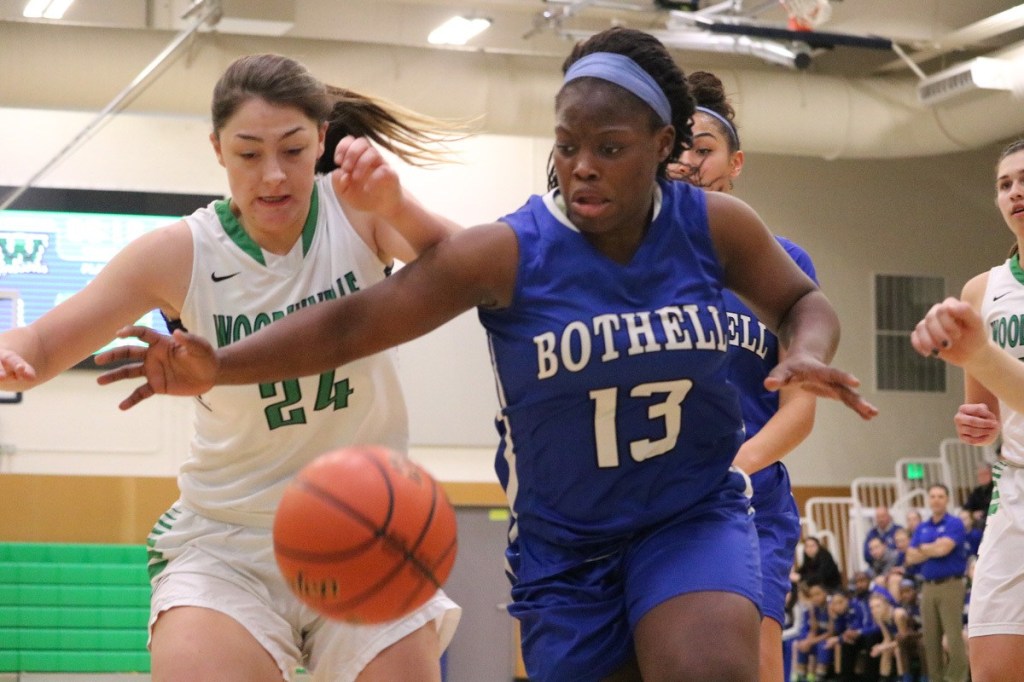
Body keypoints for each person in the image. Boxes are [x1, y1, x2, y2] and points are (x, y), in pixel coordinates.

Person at [88, 28, 879, 681]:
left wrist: (808, 350)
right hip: (566, 546)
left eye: (609, 147)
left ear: (661, 144)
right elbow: (351, 324)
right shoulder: (513, 250)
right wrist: (220, 366)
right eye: (568, 146)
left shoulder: (715, 225)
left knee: (707, 665)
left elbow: (803, 301)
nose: (582, 167)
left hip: (688, 514)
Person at [0, 53, 465, 681]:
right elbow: (47, 340)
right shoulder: (178, 253)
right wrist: (15, 356)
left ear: (322, 139)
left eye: (294, 151)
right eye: (249, 154)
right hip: (229, 542)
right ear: (217, 149)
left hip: (365, 530)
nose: (273, 175)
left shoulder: (358, 211)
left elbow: (469, 270)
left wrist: (399, 204)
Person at [668, 69, 819, 682]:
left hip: (751, 492)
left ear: (735, 161)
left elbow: (800, 410)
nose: (689, 162)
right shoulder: (636, 264)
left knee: (753, 665)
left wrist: (735, 468)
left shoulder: (782, 265)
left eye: (703, 149)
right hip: (657, 493)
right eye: (677, 149)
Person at [909, 139, 1024, 682]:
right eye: (1004, 184)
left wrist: (979, 352)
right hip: (1016, 486)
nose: (1015, 191)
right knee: (992, 665)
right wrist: (975, 425)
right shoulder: (983, 289)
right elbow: (980, 414)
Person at [904, 483, 969, 682]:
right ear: (928, 500)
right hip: (928, 586)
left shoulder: (954, 523)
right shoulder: (922, 527)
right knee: (930, 640)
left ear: (947, 499)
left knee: (952, 636)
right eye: (932, 496)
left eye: (940, 496)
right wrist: (932, 548)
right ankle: (936, 678)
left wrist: (923, 549)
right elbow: (909, 557)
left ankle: (957, 678)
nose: (936, 499)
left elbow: (944, 550)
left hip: (951, 585)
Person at [962, 463, 994, 530]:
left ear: (991, 475)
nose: (982, 477)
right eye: (979, 475)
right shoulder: (977, 491)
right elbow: (967, 506)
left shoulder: (996, 489)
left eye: (985, 474)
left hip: (992, 518)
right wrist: (971, 514)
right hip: (977, 518)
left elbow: (996, 507)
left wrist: (982, 513)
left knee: (981, 523)